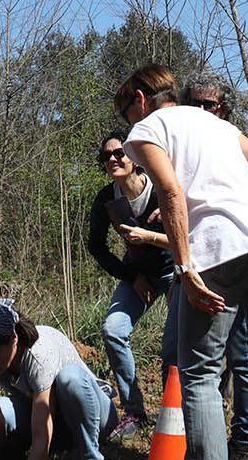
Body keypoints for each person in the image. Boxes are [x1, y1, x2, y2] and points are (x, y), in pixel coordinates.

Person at [118, 64, 248, 460]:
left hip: (220, 249)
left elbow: (171, 193)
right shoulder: (216, 125)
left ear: (140, 100)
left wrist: (184, 269)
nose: (128, 121)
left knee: (198, 374)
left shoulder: (147, 128)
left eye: (126, 111)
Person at [178, 73, 248, 460]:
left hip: (246, 255)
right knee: (205, 361)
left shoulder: (235, 141)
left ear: (223, 110)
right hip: (205, 262)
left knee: (245, 359)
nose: (199, 111)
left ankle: (244, 440)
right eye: (192, 103)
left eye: (208, 105)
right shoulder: (185, 145)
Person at [85, 130, 173, 439]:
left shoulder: (162, 187)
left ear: (134, 158)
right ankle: (134, 412)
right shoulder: (107, 198)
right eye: (106, 156)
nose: (111, 159)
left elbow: (186, 237)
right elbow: (95, 246)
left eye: (118, 153)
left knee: (176, 343)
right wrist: (131, 277)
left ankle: (179, 414)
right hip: (137, 276)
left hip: (174, 272)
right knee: (113, 330)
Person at [0, 295, 118, 460]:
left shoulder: (39, 355)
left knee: (70, 379)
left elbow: (41, 434)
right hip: (56, 425)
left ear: (13, 338)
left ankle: (90, 454)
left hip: (94, 417)